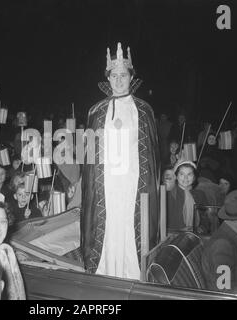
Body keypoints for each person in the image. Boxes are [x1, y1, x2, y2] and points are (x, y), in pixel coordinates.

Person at [81, 42, 160, 279]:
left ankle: (132, 274)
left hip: (133, 182)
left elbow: (152, 158)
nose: (118, 80)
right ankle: (105, 272)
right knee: (108, 223)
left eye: (123, 75)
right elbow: (88, 155)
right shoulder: (96, 111)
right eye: (113, 75)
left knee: (128, 223)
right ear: (108, 78)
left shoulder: (144, 110)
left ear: (131, 76)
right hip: (105, 183)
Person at [167, 160, 208, 231]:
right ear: (176, 176)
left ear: (194, 177)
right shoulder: (169, 194)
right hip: (173, 236)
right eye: (182, 174)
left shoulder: (200, 195)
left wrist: (200, 228)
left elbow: (206, 218)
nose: (185, 178)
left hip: (194, 236)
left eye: (189, 174)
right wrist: (180, 230)